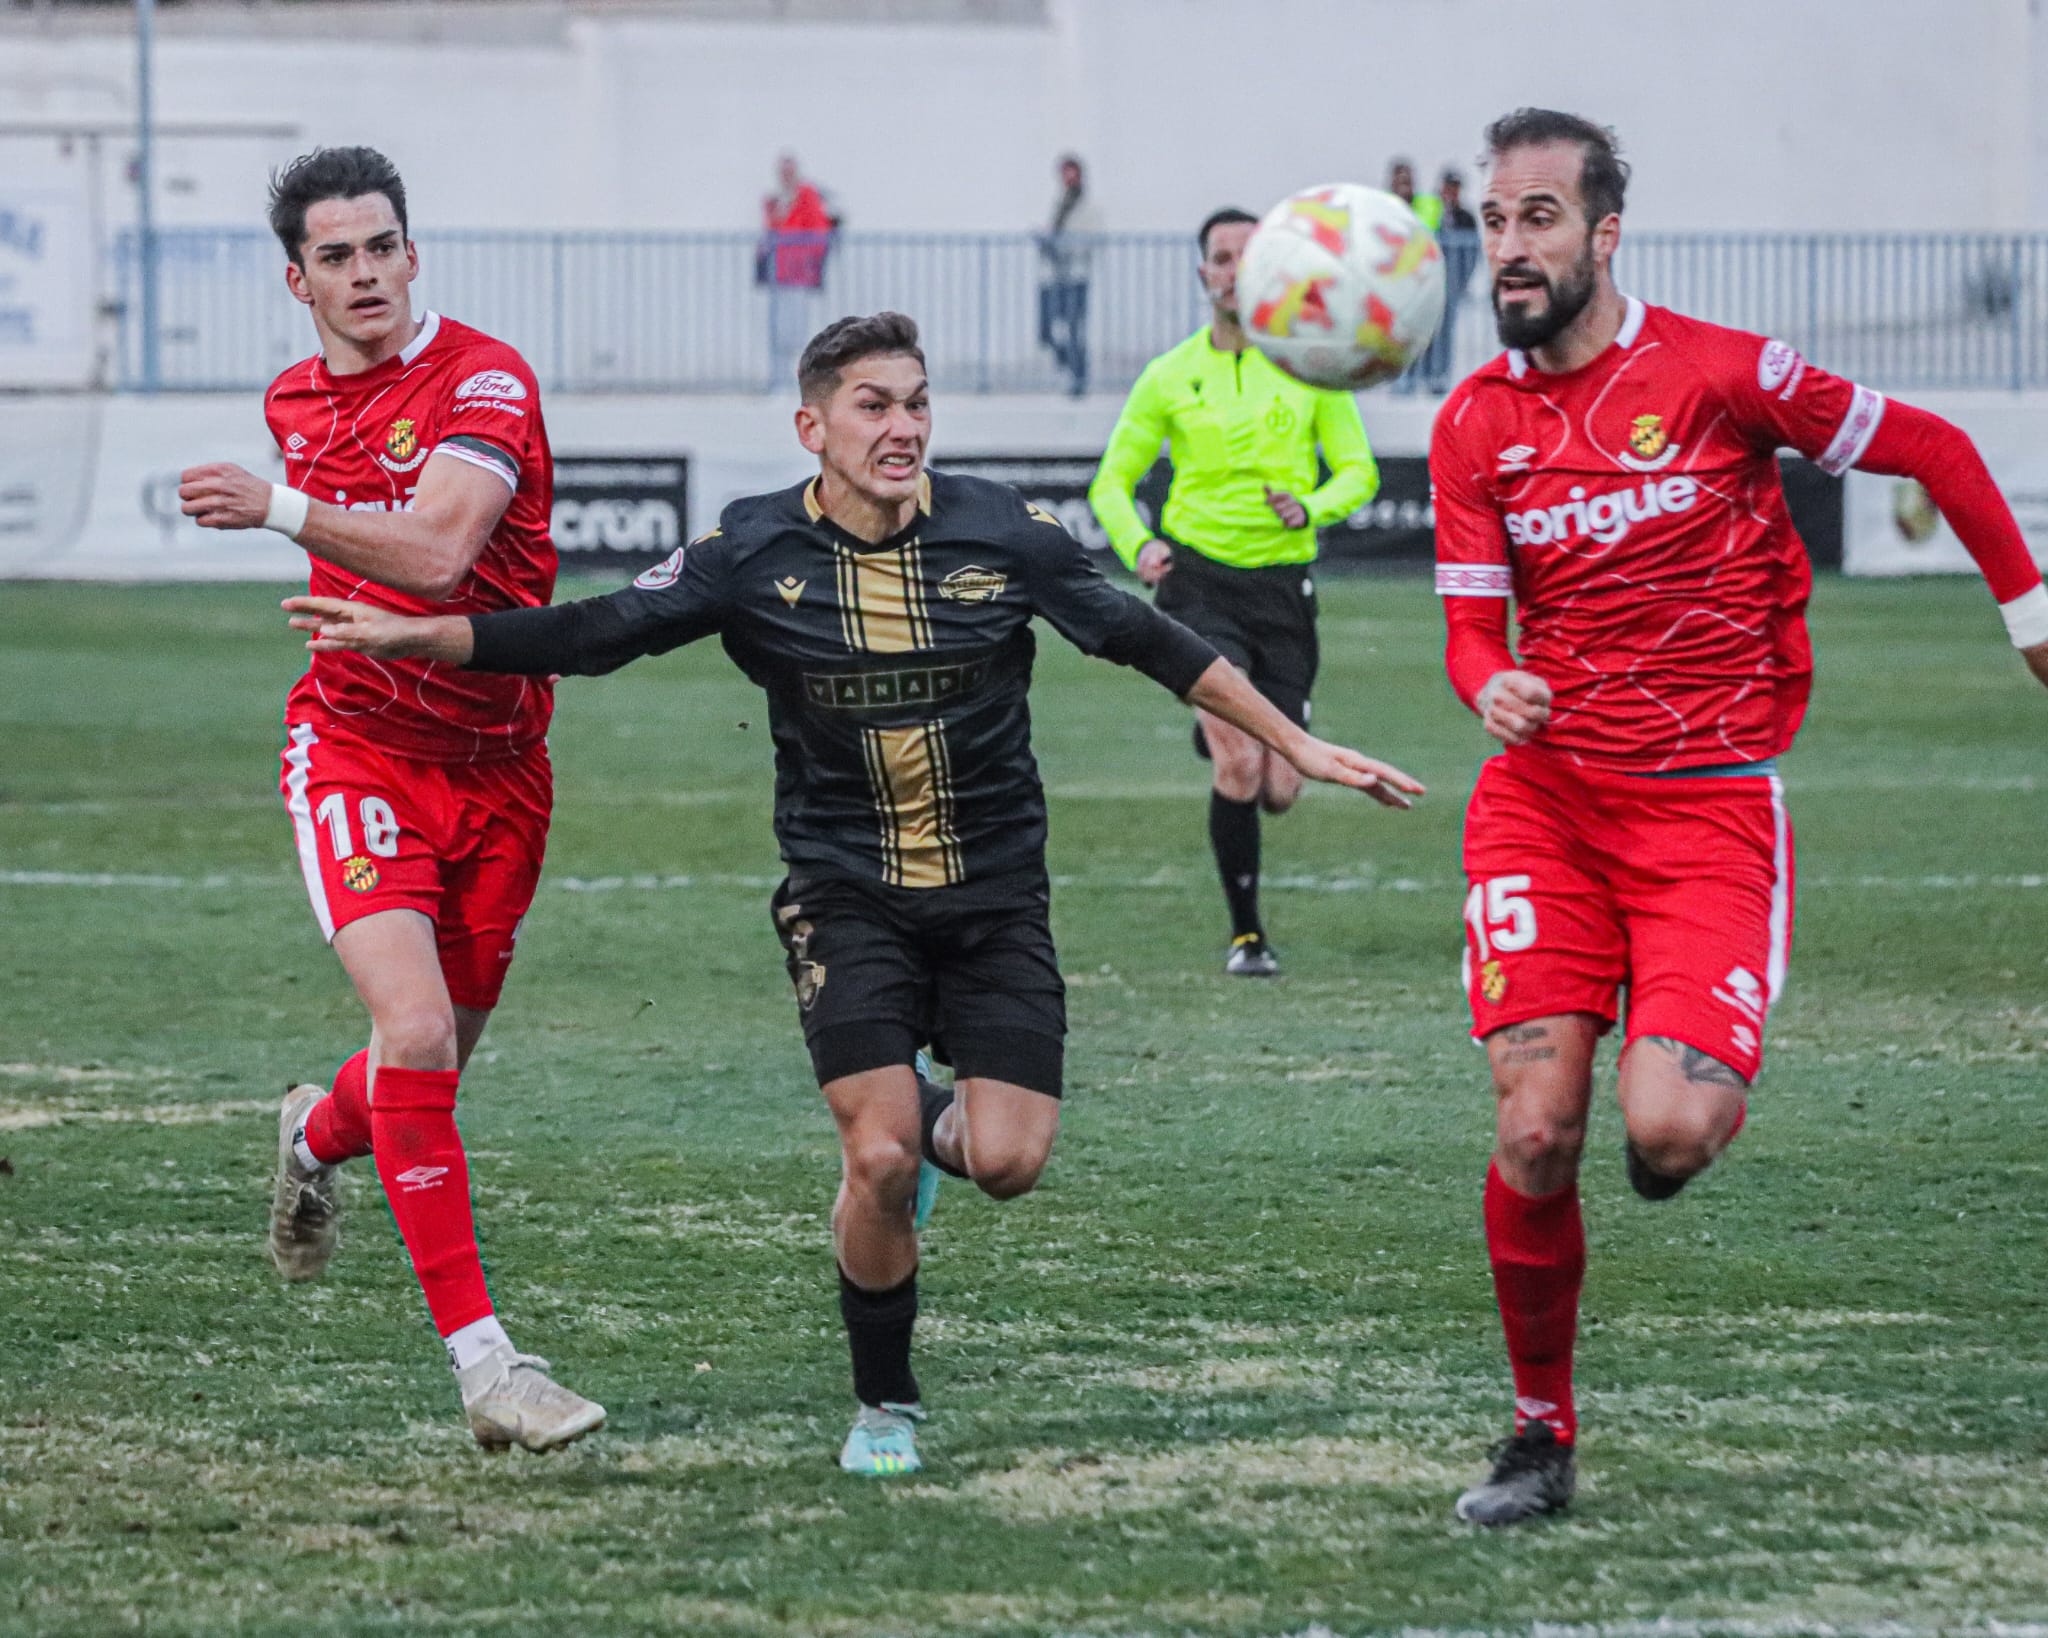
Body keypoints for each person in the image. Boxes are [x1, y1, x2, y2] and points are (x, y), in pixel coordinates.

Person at [281, 311, 1425, 1478]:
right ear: (811, 426)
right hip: (844, 900)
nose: (902, 427)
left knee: (1008, 1162)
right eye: (874, 406)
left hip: (994, 899)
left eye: (916, 403)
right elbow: (597, 630)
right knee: (877, 1158)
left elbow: (1153, 642)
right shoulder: (750, 551)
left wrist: (1304, 745)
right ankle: (886, 1404)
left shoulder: (1006, 535)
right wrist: (427, 634)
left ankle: (933, 1123)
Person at [1432, 107, 2048, 1526]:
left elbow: (1940, 449)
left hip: (1708, 815)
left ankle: (1661, 1128)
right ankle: (1538, 1431)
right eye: (1494, 221)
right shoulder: (1475, 423)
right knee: (1536, 1125)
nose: (1509, 246)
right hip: (1547, 808)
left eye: (1537, 217)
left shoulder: (1720, 376)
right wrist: (1493, 686)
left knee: (1668, 1132)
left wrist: (2030, 617)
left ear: (1604, 233)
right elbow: (1472, 638)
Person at [175, 147, 604, 1455]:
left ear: (413, 256)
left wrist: (280, 509)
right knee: (413, 1029)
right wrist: (298, 509)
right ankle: (490, 1369)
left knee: (427, 1066)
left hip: (500, 771)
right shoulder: (294, 395)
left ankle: (312, 1131)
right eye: (336, 256)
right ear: (295, 276)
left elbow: (438, 546)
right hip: (354, 748)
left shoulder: (484, 376)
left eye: (382, 248)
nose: (363, 274)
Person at [1089, 208, 1381, 977]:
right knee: (1241, 764)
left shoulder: (1313, 364)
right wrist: (1139, 544)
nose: (1233, 269)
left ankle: (1222, 722)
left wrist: (1311, 507)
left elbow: (1360, 472)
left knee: (1282, 787)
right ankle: (1247, 937)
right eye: (1222, 257)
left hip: (1283, 592)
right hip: (1197, 587)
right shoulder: (1169, 374)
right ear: (1205, 275)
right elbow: (1111, 483)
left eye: (1248, 257)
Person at [761, 154, 836, 390]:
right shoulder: (777, 200)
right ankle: (780, 380)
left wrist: (806, 258)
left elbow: (819, 230)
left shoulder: (807, 196)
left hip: (799, 273)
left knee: (796, 328)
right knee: (779, 328)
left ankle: (800, 380)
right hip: (780, 274)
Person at [1036, 153, 1100, 396]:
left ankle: (1078, 378)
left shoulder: (1089, 207)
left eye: (1072, 173)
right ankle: (1070, 364)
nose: (1068, 178)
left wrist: (1063, 245)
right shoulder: (1058, 203)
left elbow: (1090, 239)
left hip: (1075, 276)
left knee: (1074, 329)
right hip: (1053, 276)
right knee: (1045, 330)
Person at [1420, 168, 1478, 393]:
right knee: (1422, 333)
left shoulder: (1466, 217)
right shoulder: (1429, 209)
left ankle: (1439, 379)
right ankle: (1420, 377)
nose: (1451, 192)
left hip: (1449, 287)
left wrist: (1461, 284)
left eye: (1455, 187)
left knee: (1444, 335)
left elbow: (1471, 254)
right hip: (1427, 287)